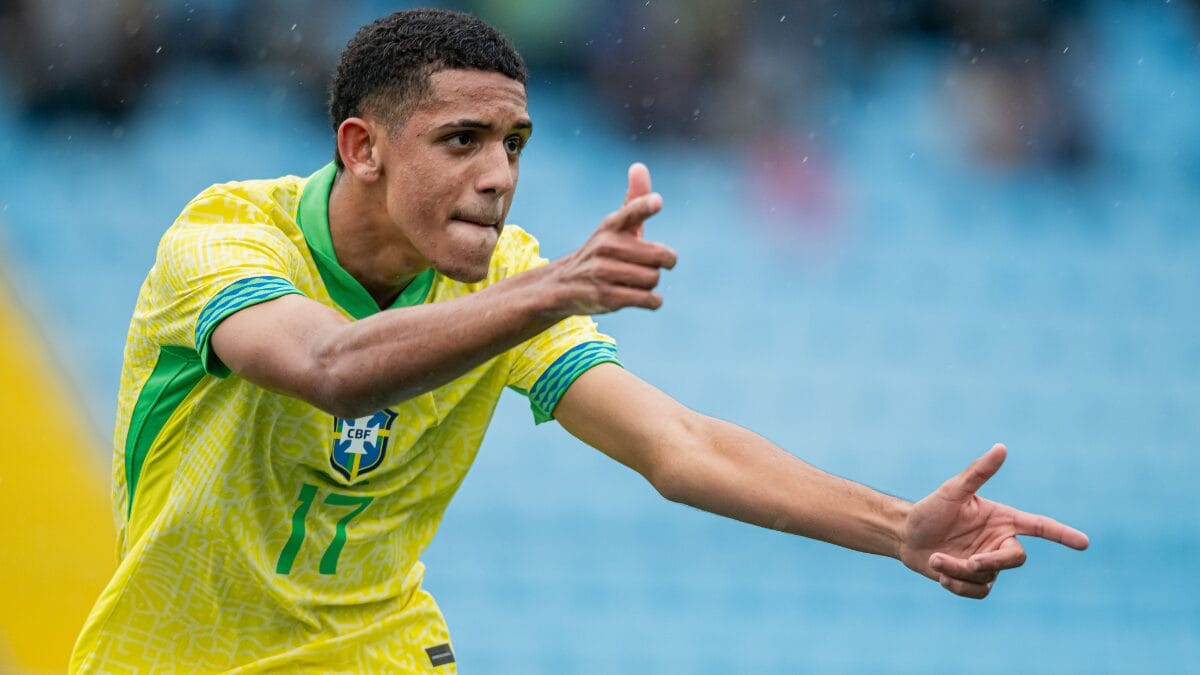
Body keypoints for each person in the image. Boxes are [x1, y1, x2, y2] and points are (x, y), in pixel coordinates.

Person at [71, 8, 1088, 673]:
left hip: (377, 651)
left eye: (514, 144)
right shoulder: (224, 239)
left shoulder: (512, 278)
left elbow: (678, 447)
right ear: (362, 148)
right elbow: (327, 370)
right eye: (461, 140)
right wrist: (553, 289)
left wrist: (896, 527)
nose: (498, 175)